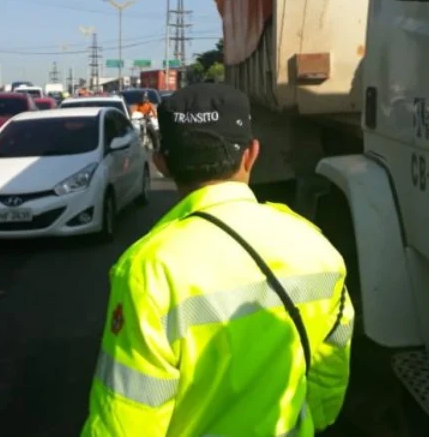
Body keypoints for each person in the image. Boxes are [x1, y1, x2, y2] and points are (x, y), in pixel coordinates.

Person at [81, 82, 354, 437]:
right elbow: (329, 371)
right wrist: (311, 420)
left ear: (162, 163)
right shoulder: (315, 245)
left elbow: (126, 419)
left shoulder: (150, 269)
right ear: (251, 154)